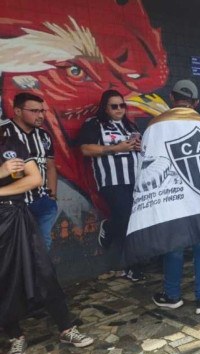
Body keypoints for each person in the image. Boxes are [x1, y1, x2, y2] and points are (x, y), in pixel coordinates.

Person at [1, 134, 93, 354]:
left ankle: (66, 327)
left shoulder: (9, 143)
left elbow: (34, 179)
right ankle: (15, 336)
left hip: (16, 216)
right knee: (2, 278)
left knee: (44, 271)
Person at [149, 80, 200, 314]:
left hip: (171, 196)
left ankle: (172, 295)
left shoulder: (156, 125)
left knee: (174, 248)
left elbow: (149, 164)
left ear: (171, 97)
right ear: (196, 103)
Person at [79, 89, 144, 281]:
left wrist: (140, 146)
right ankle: (131, 264)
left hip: (135, 180)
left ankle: (129, 262)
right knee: (125, 217)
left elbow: (140, 149)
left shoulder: (129, 125)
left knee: (132, 221)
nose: (119, 109)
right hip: (112, 180)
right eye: (114, 106)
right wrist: (116, 148)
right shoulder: (95, 124)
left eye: (122, 105)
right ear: (105, 108)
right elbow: (85, 149)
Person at [1, 93, 58, 250]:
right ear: (18, 111)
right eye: (34, 111)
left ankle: (39, 275)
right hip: (14, 205)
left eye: (42, 111)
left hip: (41, 201)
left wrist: (52, 196)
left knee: (43, 246)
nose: (40, 115)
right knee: (17, 250)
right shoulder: (4, 133)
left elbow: (51, 166)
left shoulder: (44, 136)